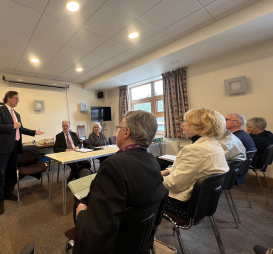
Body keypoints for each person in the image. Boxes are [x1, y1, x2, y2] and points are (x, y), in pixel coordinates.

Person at [73, 110, 167, 254]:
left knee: (78, 201)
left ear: (126, 132)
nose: (117, 132)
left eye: (119, 128)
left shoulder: (112, 166)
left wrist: (81, 213)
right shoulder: (153, 162)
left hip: (112, 247)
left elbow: (96, 236)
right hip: (138, 242)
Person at [161, 108, 229, 220]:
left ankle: (146, 233)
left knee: (139, 190)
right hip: (203, 203)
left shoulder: (196, 149)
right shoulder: (215, 145)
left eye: (186, 121)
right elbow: (185, 169)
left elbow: (174, 184)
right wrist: (164, 172)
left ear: (201, 125)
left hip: (182, 205)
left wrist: (152, 179)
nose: (182, 124)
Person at [0, 91, 44, 215]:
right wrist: (13, 125)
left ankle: (7, 193)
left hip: (15, 147)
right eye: (16, 98)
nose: (18, 101)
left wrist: (34, 132)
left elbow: (20, 128)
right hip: (2, 148)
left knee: (10, 173)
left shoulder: (17, 114)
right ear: (8, 98)